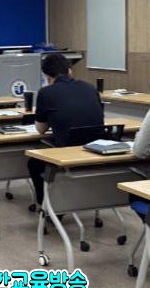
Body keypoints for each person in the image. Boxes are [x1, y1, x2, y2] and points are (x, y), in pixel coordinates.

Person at [28, 53, 104, 206]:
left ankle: (45, 204)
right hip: (96, 148)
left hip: (68, 152)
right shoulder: (89, 88)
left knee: (34, 163)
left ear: (46, 76)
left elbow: (40, 129)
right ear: (70, 70)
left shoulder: (46, 92)